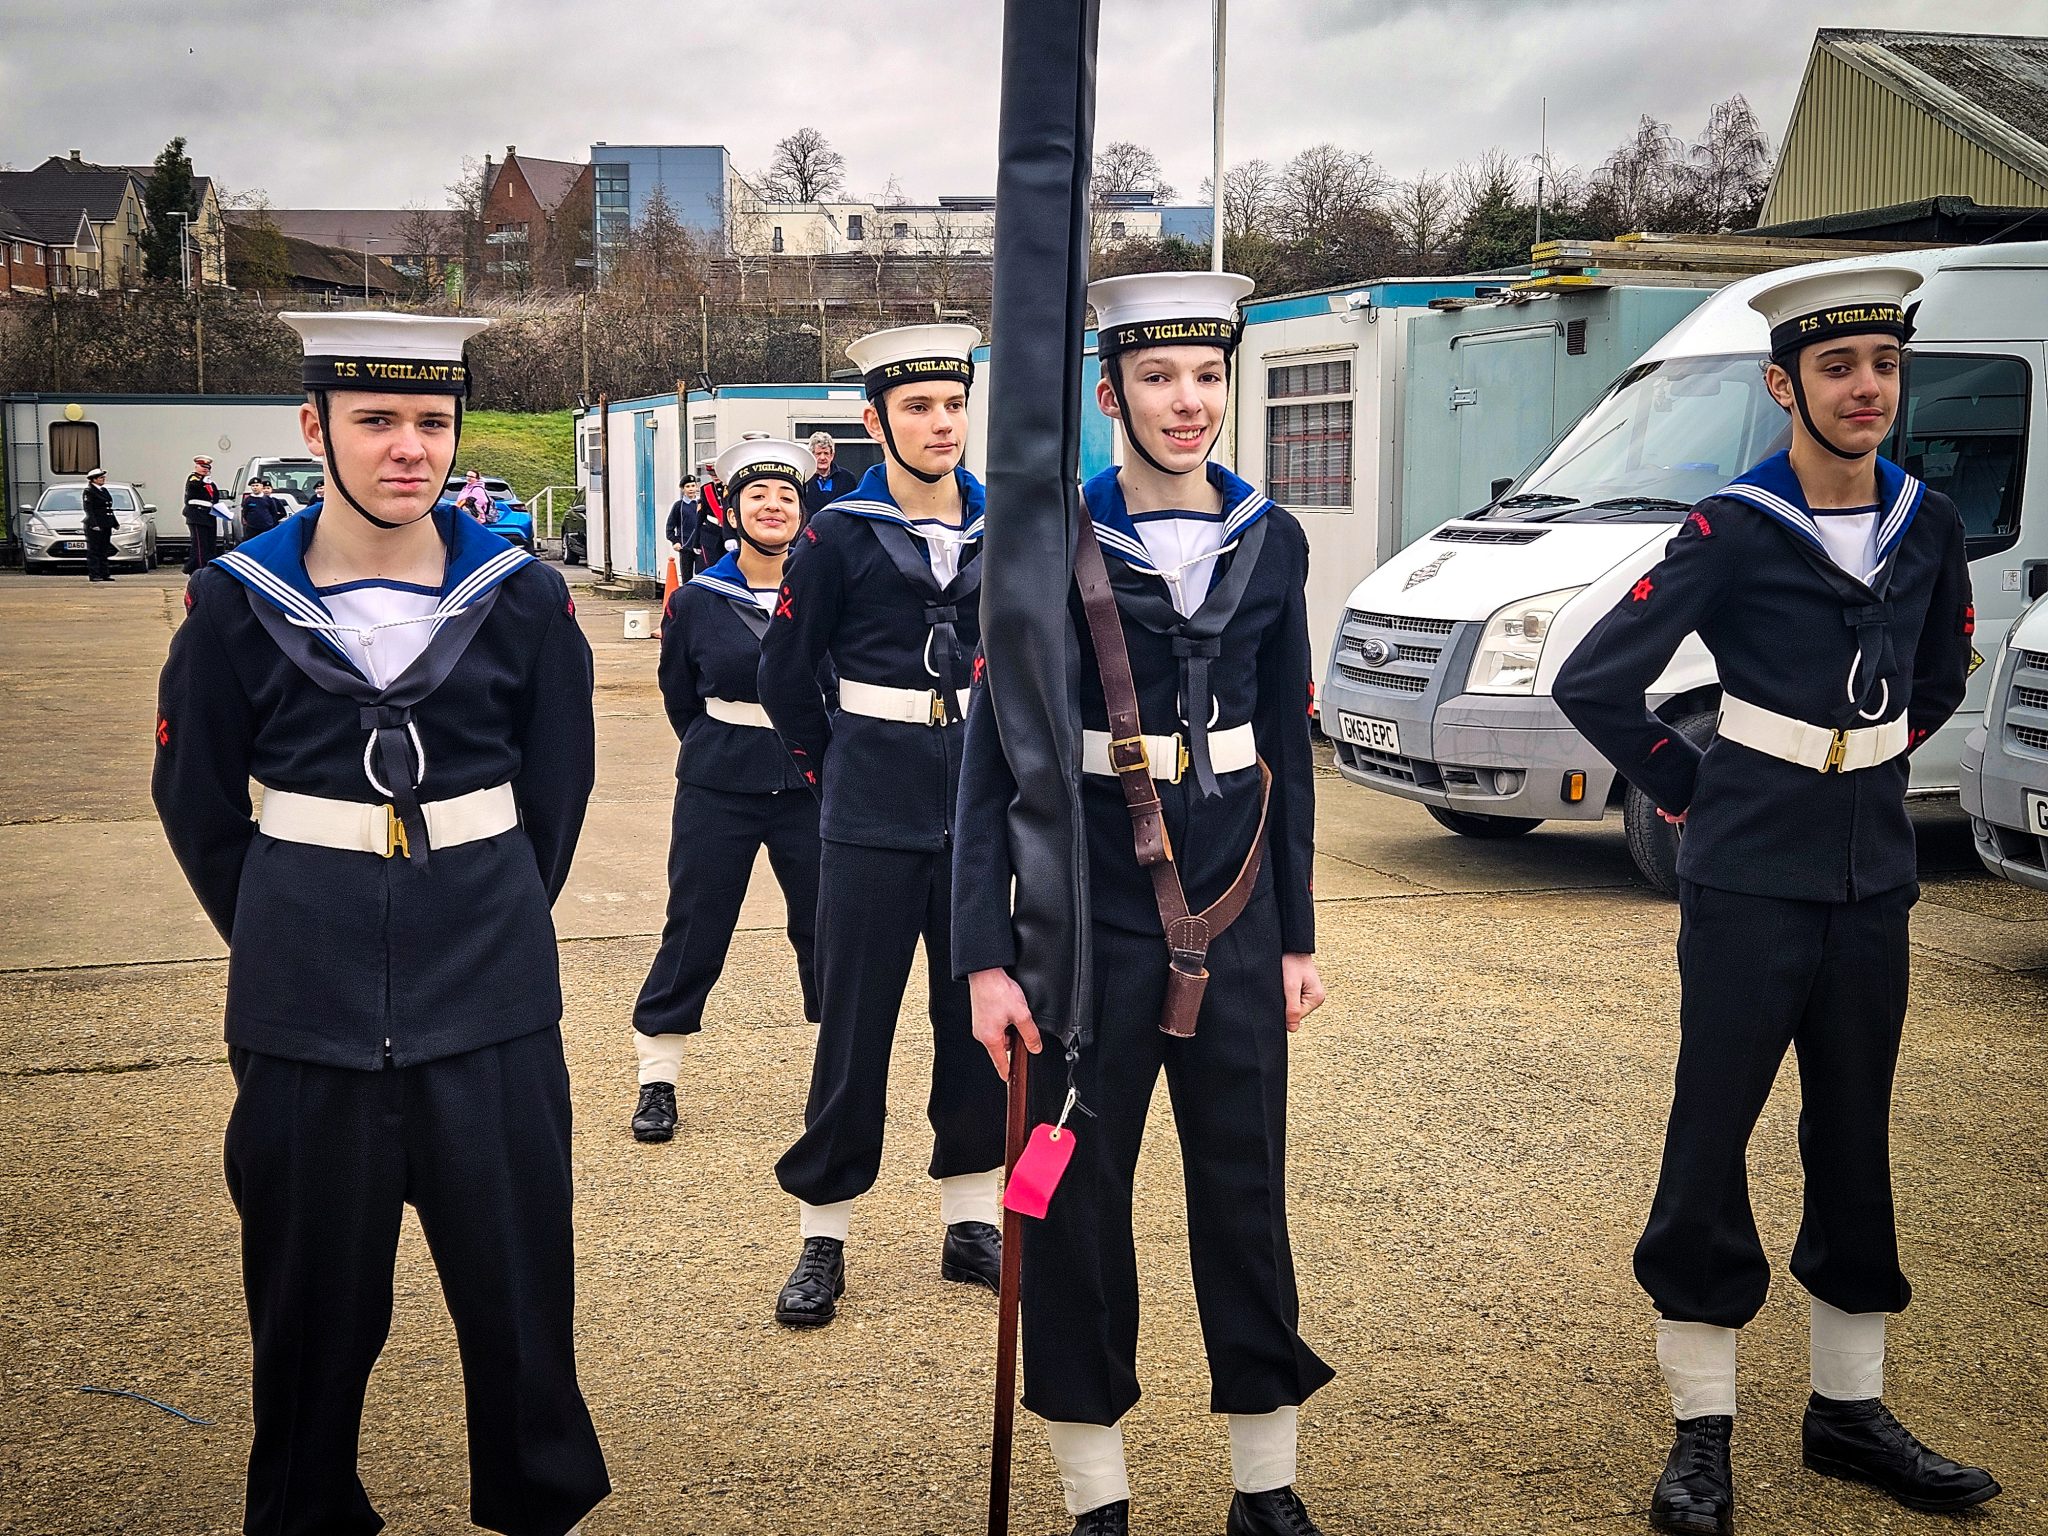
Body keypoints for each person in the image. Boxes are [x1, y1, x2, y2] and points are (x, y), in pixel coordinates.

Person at [153, 310, 610, 1536]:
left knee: (518, 1303)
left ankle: (533, 1507)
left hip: (491, 992)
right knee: (309, 1313)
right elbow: (196, 801)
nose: (407, 448)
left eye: (430, 421)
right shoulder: (234, 602)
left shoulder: (518, 596)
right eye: (375, 421)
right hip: (306, 1001)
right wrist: (288, 927)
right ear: (315, 430)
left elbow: (554, 793)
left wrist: (485, 911)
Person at [1553, 266, 1994, 1536]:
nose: (1864, 389)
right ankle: (1700, 1431)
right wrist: (1691, 789)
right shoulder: (1732, 526)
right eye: (1837, 366)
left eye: (1882, 366)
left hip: (1869, 871)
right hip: (1746, 874)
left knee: (1853, 1132)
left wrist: (1864, 763)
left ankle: (1845, 1413)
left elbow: (1938, 670)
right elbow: (1598, 679)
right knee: (1712, 1135)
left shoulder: (1928, 521)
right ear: (1781, 383)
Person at [956, 273, 1332, 1536]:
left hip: (1229, 919)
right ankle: (1093, 1494)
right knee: (1071, 1204)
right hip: (1085, 931)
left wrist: (1296, 936)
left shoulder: (1272, 539)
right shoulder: (1044, 539)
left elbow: (1283, 747)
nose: (1189, 403)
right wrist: (982, 956)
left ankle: (1264, 1483)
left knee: (1245, 1192)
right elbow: (987, 765)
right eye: (1160, 378)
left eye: (1209, 376)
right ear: (1108, 392)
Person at [756, 322, 1006, 1328]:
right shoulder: (833, 534)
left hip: (975, 814)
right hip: (865, 809)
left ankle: (968, 1219)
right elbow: (784, 673)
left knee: (974, 1023)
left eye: (951, 405)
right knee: (853, 1030)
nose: (939, 423)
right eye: (916, 407)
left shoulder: (1009, 525)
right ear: (875, 422)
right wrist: (833, 772)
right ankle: (823, 1234)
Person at [630, 438, 825, 1143]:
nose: (773, 507)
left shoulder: (827, 590)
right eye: (757, 496)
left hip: (810, 779)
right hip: (719, 780)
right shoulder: (697, 600)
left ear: (804, 512)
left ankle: (835, 1077)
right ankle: (658, 1076)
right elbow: (679, 696)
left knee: (826, 924)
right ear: (730, 509)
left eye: (786, 497)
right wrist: (722, 749)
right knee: (696, 923)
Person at [800, 431, 857, 516]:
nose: (822, 458)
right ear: (812, 455)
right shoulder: (803, 479)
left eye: (826, 453)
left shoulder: (847, 479)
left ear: (832, 455)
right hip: (810, 528)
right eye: (818, 453)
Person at [183, 453, 223, 572]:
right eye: (203, 467)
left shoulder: (210, 483)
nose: (205, 470)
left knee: (210, 542)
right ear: (196, 467)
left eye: (207, 468)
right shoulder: (193, 479)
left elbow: (215, 498)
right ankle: (199, 567)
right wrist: (202, 482)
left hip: (208, 515)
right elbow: (193, 488)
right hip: (197, 515)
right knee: (200, 544)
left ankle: (206, 565)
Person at [82, 468, 117, 582]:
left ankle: (105, 573)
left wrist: (114, 522)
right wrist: (94, 524)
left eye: (103, 477)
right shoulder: (89, 491)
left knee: (104, 550)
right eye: (101, 478)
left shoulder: (104, 490)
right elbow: (89, 509)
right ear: (94, 480)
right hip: (96, 524)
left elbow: (108, 508)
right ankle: (95, 574)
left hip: (106, 524)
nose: (103, 479)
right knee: (94, 550)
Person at [692, 463, 729, 574]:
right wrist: (696, 541)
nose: (715, 477)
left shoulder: (730, 488)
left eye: (717, 474)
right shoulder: (706, 489)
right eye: (712, 474)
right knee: (711, 567)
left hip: (729, 534)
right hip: (710, 533)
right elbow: (701, 515)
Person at [665, 473, 704, 572]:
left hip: (701, 546)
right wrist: (675, 541)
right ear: (683, 489)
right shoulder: (679, 506)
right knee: (687, 576)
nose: (691, 489)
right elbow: (670, 527)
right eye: (687, 486)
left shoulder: (702, 504)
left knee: (702, 574)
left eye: (693, 486)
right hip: (685, 547)